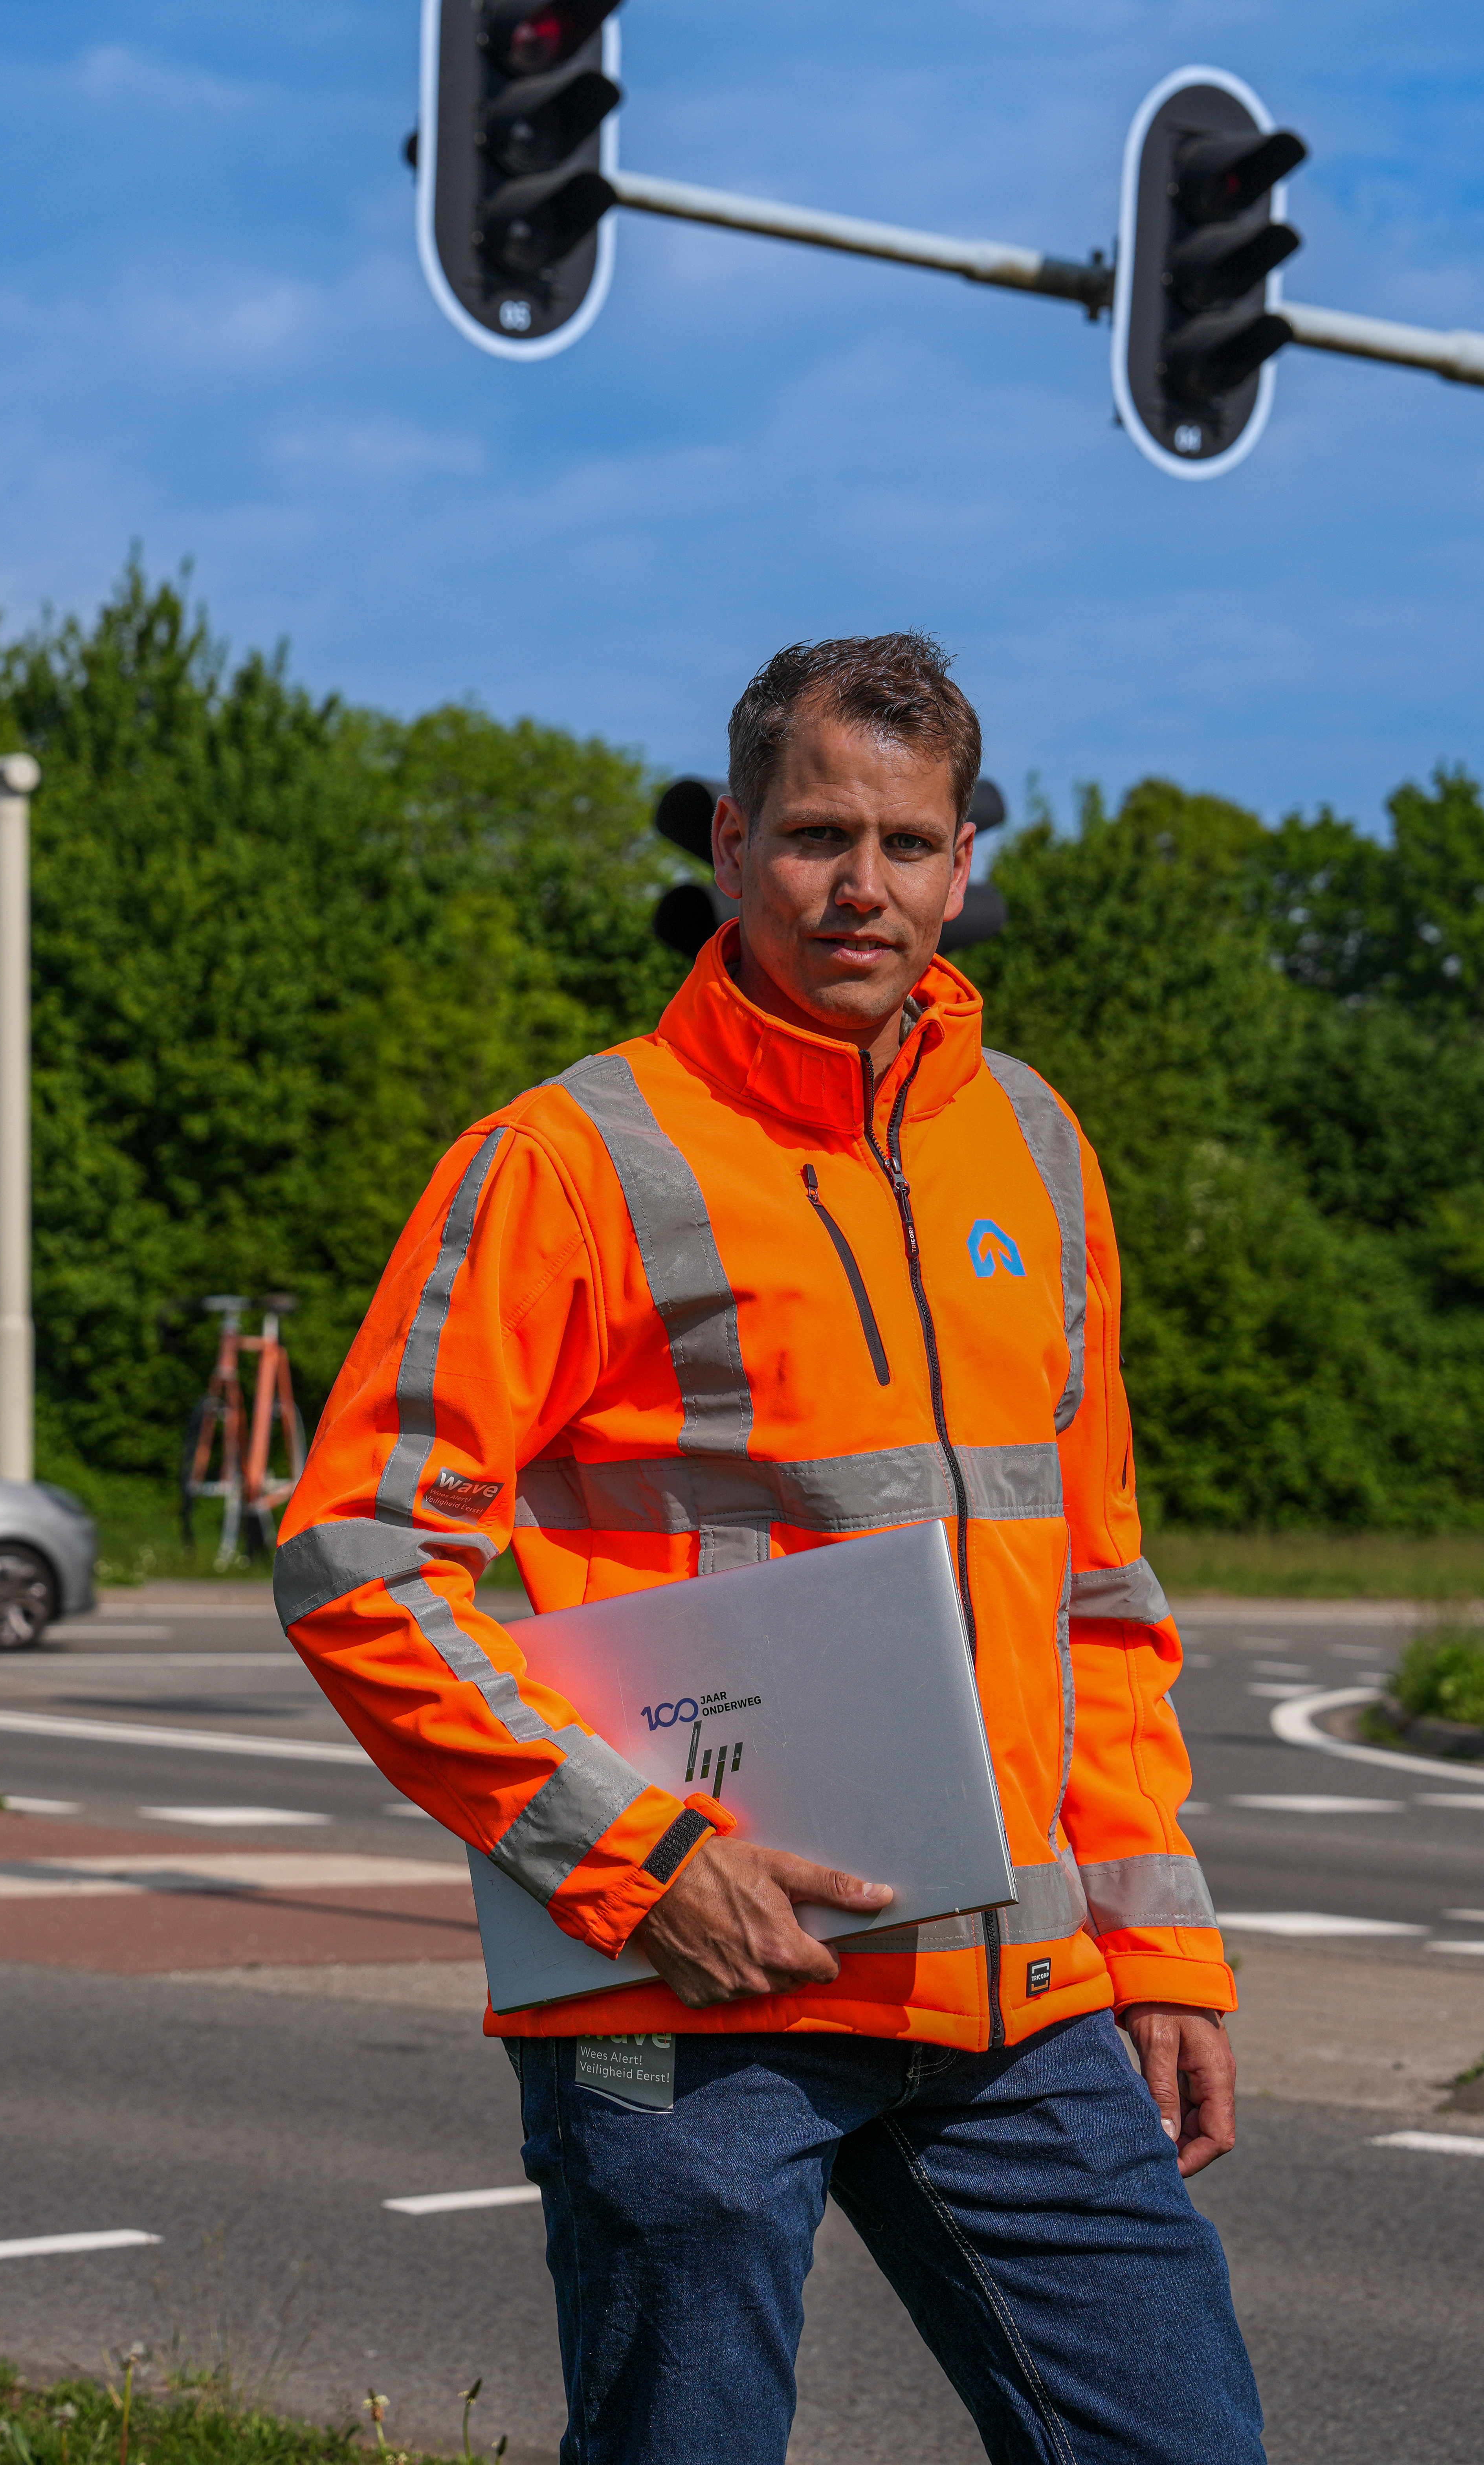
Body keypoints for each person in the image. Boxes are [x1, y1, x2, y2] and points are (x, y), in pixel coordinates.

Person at [272, 635, 1262, 2464]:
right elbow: (357, 1561)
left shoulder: (1036, 1144)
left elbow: (1099, 1593)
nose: (862, 885)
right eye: (817, 836)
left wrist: (1162, 1944)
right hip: (693, 1984)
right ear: (733, 848)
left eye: (908, 842)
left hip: (1016, 1993)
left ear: (964, 862)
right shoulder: (571, 1157)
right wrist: (636, 1861)